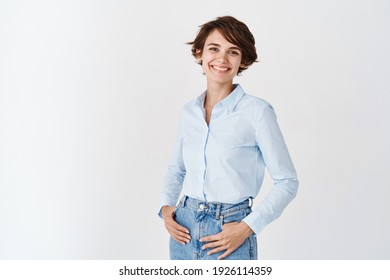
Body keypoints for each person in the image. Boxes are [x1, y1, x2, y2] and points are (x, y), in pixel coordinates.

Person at [158, 16, 298, 260]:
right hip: (184, 231)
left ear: (242, 60)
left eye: (232, 51)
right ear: (200, 53)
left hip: (229, 234)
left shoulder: (257, 112)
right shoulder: (189, 112)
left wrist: (247, 227)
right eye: (214, 48)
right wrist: (165, 208)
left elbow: (287, 181)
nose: (222, 59)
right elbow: (176, 169)